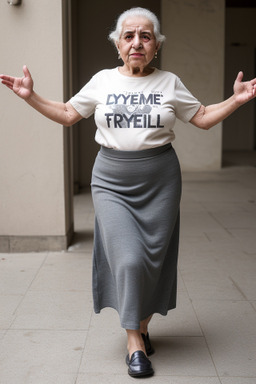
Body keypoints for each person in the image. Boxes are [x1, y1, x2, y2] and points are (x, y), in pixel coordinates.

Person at [1, 6, 256, 378]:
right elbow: (70, 113)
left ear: (156, 46)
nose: (137, 42)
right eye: (129, 36)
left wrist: (236, 99)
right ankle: (134, 342)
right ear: (118, 44)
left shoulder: (169, 82)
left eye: (146, 36)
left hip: (161, 180)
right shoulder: (102, 81)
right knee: (129, 260)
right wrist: (31, 97)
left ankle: (141, 325)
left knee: (154, 261)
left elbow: (200, 117)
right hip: (112, 181)